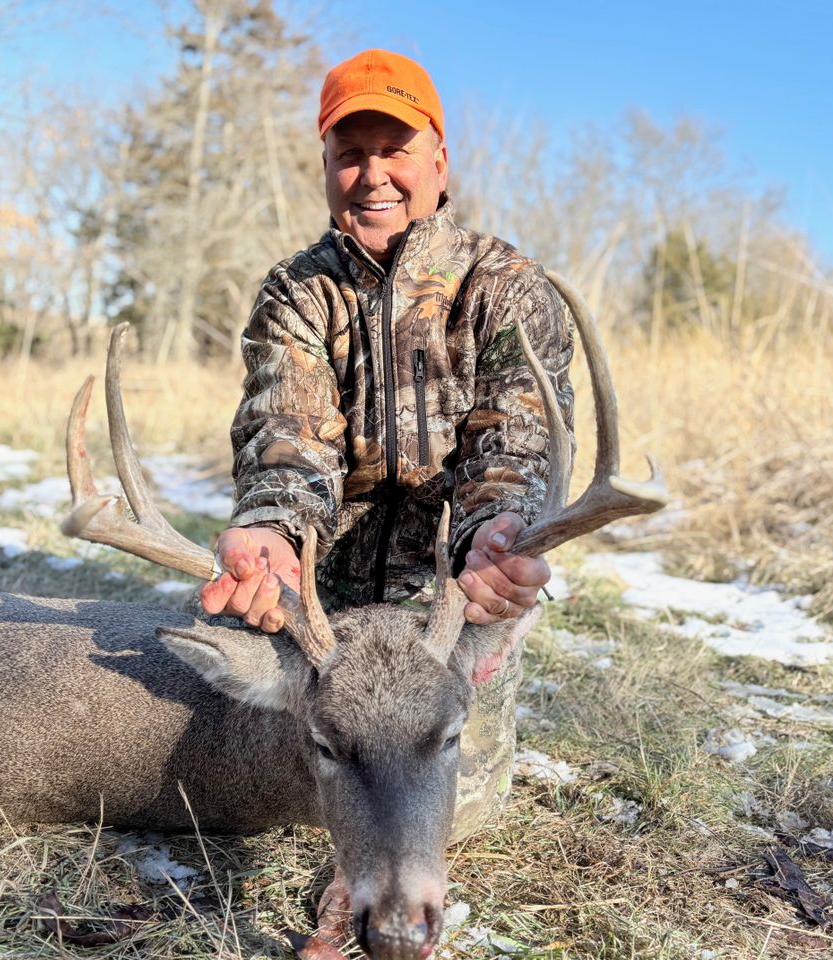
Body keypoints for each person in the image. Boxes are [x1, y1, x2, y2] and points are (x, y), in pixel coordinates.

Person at [200, 48, 575, 839]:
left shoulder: (505, 286)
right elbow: (287, 433)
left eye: (395, 150)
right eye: (350, 154)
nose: (373, 175)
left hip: (445, 608)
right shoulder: (298, 292)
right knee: (261, 761)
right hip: (319, 608)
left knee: (457, 803)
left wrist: (494, 540)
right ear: (327, 166)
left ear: (439, 160)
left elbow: (517, 445)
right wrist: (273, 528)